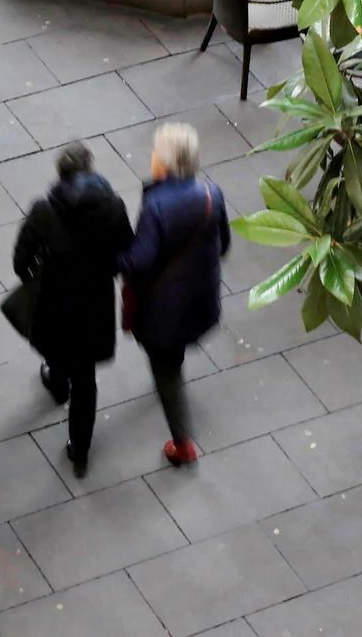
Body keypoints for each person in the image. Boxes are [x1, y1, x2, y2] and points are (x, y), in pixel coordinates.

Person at [13, 143, 131, 478]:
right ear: (90, 170)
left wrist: (36, 274)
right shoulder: (113, 207)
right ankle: (79, 447)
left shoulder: (44, 211)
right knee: (86, 378)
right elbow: (125, 253)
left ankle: (56, 381)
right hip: (94, 304)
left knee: (57, 348)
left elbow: (20, 260)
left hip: (54, 301)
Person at [119, 123, 229, 467]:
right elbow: (223, 244)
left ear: (164, 164)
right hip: (201, 301)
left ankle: (183, 445)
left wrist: (110, 256)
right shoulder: (212, 195)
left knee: (165, 371)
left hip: (163, 314)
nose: (151, 156)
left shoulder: (156, 207)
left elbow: (138, 261)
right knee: (174, 352)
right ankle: (173, 368)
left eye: (155, 151)